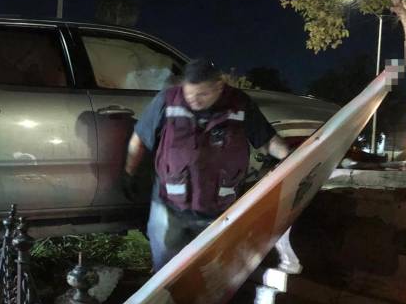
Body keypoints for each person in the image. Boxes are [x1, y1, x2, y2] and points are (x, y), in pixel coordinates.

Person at [122, 58, 290, 273]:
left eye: (202, 94)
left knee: (209, 273)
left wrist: (289, 157)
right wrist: (128, 173)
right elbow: (139, 138)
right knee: (164, 271)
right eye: (189, 93)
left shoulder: (240, 104)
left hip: (217, 211)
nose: (194, 100)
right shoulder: (168, 101)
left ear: (219, 86)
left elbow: (267, 141)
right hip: (169, 206)